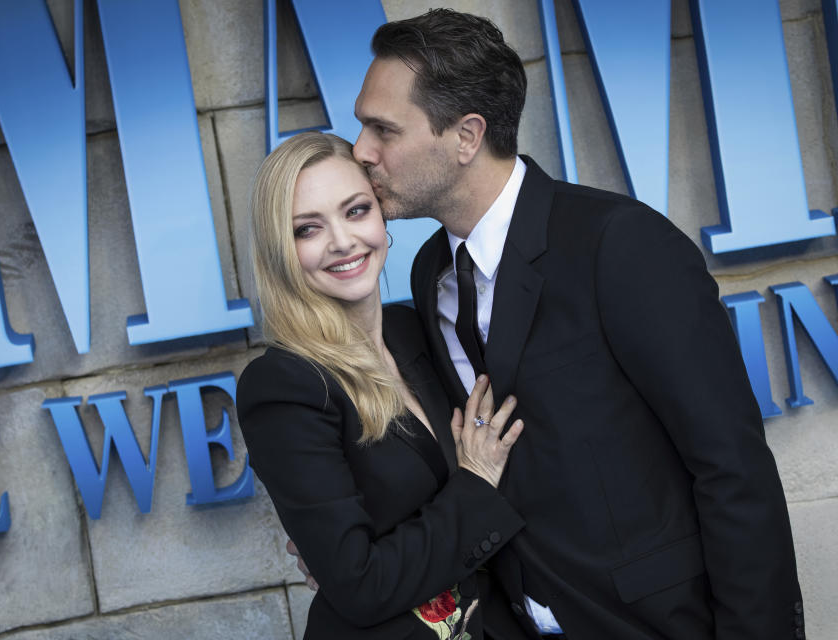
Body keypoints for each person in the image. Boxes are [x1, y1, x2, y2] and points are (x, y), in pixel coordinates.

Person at [350, 9, 805, 640]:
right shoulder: (430, 273)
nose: (361, 152)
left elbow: (732, 467)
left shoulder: (620, 245)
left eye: (382, 129)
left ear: (465, 136)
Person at [236, 131, 527, 640]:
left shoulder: (415, 327)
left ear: (382, 213)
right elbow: (360, 585)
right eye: (308, 229)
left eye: (355, 211)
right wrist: (477, 483)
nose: (343, 242)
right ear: (282, 250)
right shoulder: (283, 385)